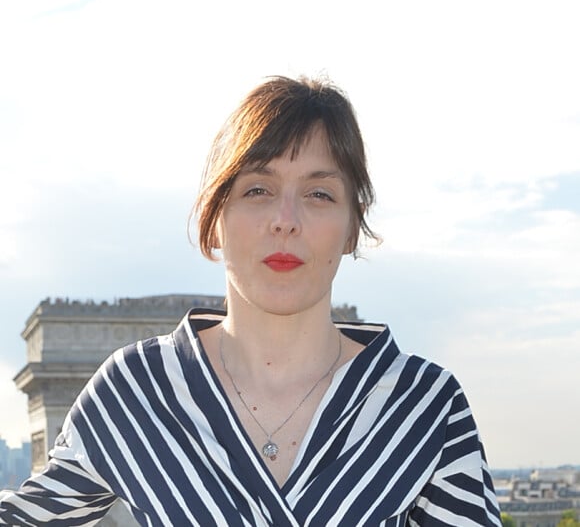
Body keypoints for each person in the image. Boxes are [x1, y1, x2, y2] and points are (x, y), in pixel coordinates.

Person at [0, 76, 501, 526]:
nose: (285, 219)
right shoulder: (135, 391)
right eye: (258, 189)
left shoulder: (426, 407)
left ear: (353, 227)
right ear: (215, 216)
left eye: (319, 194)